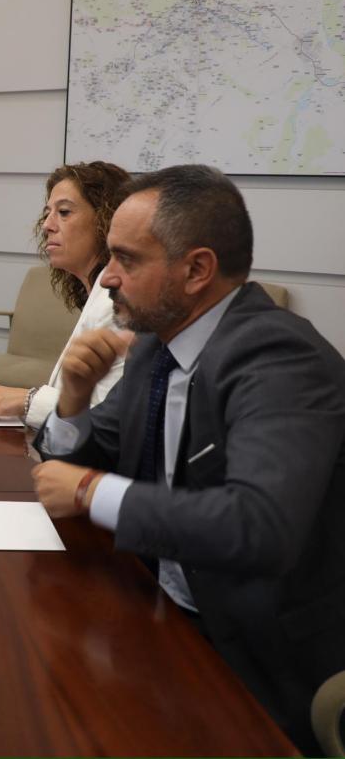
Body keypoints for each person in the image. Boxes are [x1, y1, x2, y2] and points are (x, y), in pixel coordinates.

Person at [31, 164, 345, 753]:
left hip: (255, 657)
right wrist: (72, 401)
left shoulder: (279, 358)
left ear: (197, 269)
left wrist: (90, 491)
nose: (108, 281)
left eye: (126, 260)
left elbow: (258, 527)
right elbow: (94, 444)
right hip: (154, 610)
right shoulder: (158, 343)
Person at [0, 161, 131, 426]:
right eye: (47, 213)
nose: (47, 225)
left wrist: (27, 400)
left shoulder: (117, 304)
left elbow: (106, 416)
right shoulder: (97, 294)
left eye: (64, 212)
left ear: (107, 220)